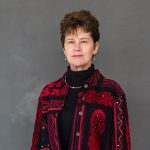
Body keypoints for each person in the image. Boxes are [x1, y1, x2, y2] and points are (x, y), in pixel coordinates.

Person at [31, 10, 131, 150]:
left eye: (83, 41)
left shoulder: (112, 92)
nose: (77, 48)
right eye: (71, 42)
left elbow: (121, 146)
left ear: (95, 47)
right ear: (64, 49)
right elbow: (38, 144)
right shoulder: (48, 93)